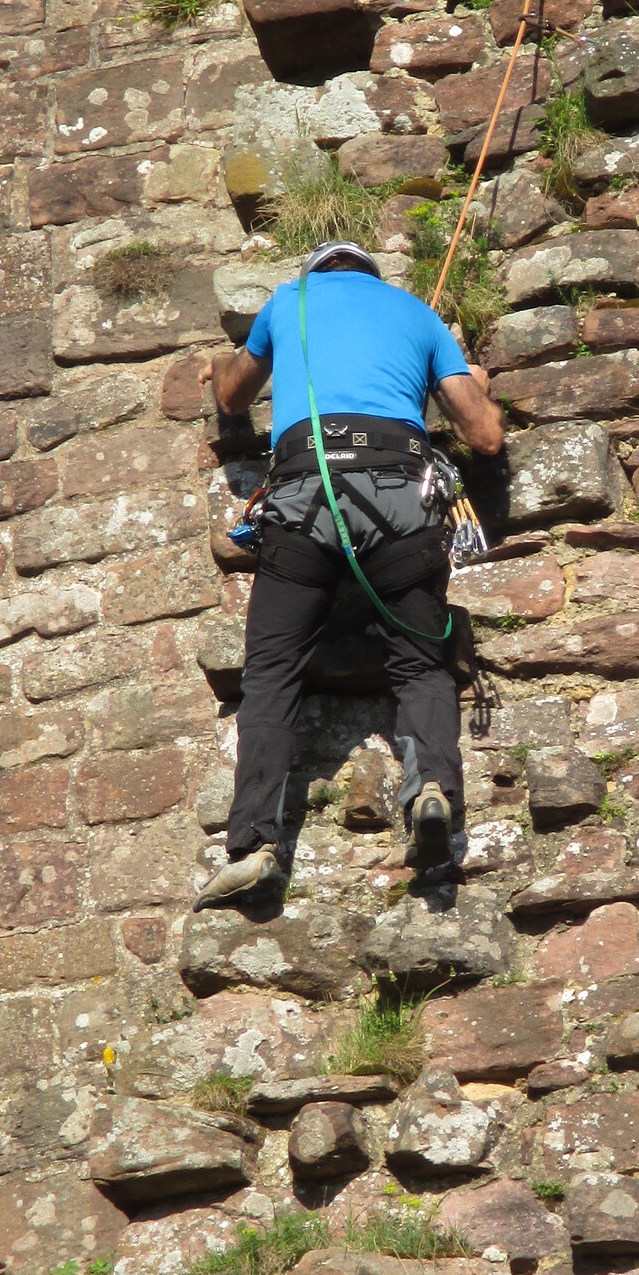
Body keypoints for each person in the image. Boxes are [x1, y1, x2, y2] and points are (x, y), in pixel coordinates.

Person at [192, 241, 505, 910]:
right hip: (401, 503)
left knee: (271, 675)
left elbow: (232, 395)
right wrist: (474, 385)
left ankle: (253, 848)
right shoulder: (417, 313)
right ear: (370, 273)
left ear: (316, 271)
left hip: (305, 499)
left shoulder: (288, 302)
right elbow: (484, 436)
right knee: (420, 665)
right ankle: (431, 792)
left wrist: (225, 366)